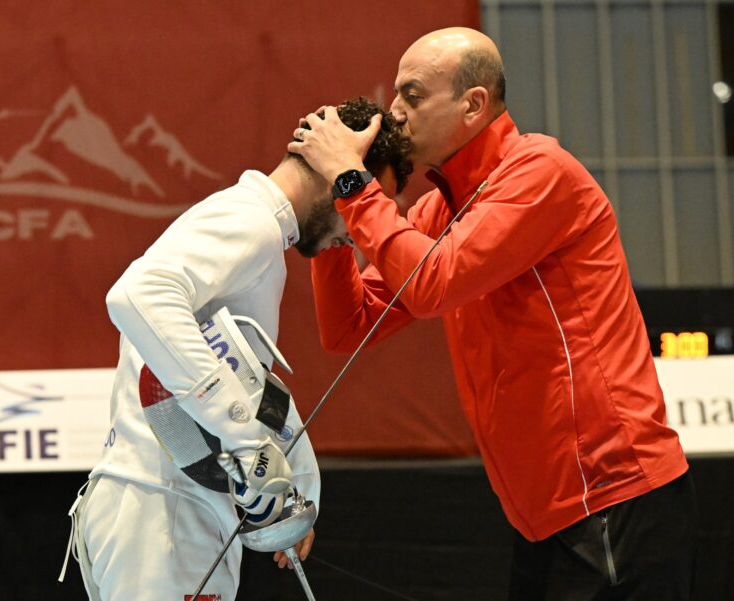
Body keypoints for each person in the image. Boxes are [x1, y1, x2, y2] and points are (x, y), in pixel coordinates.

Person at [289, 27, 697, 601]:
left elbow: (432, 284)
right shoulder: (441, 209)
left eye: (412, 95)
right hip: (545, 517)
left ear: (473, 104)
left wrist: (352, 184)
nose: (394, 112)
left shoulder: (539, 172)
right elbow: (348, 326)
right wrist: (335, 220)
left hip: (613, 499)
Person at [64, 97, 412, 601]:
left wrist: (293, 485)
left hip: (166, 510)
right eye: (356, 193)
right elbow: (136, 295)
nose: (356, 236)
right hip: (166, 516)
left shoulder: (258, 229)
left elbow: (241, 377)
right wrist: (246, 440)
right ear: (333, 169)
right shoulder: (250, 221)